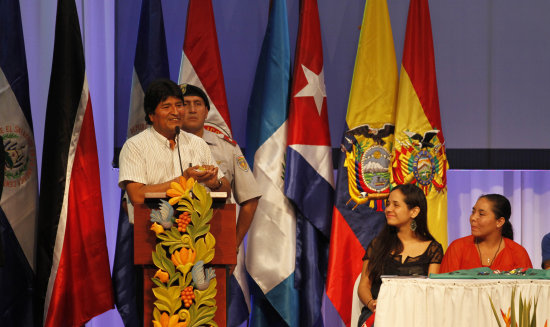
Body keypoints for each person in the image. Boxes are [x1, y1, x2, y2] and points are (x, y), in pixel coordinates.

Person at [118, 79, 231, 216]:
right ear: (151, 115)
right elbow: (137, 196)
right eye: (166, 107)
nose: (175, 112)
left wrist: (215, 183)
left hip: (199, 230)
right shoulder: (135, 146)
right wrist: (183, 179)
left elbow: (226, 191)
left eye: (179, 105)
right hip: (151, 232)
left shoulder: (197, 143)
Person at [179, 83, 261, 249]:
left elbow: (250, 198)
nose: (192, 109)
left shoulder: (227, 148)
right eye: (185, 104)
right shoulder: (161, 146)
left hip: (217, 242)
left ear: (207, 111)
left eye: (198, 103)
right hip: (170, 238)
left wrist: (234, 244)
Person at [357, 184, 443, 327]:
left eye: (396, 205)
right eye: (388, 204)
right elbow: (364, 284)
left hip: (415, 317)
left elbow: (431, 292)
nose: (388, 209)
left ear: (414, 212)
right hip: (378, 315)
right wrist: (372, 304)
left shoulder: (433, 249)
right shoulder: (377, 244)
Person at [440, 194, 532, 273]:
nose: (473, 218)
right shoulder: (457, 248)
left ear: (499, 222)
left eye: (481, 214)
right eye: (473, 212)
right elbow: (444, 289)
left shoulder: (518, 253)